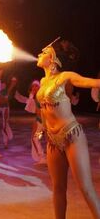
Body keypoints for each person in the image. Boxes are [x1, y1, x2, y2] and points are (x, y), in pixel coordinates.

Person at [36, 37, 100, 219]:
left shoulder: (64, 77)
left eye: (45, 52)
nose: (40, 54)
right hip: (52, 140)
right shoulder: (42, 82)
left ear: (54, 60)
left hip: (72, 135)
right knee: (58, 189)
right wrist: (41, 127)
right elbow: (42, 108)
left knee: (86, 188)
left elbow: (90, 83)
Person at [15, 80, 47, 165]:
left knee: (37, 138)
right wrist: (31, 95)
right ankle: (41, 157)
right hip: (39, 121)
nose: (34, 88)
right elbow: (30, 107)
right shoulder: (36, 97)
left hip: (43, 122)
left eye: (36, 86)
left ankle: (43, 157)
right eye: (33, 86)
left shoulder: (41, 96)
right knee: (35, 138)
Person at [0, 75, 17, 148]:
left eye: (4, 85)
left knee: (4, 124)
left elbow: (5, 99)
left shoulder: (6, 91)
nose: (3, 85)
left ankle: (5, 142)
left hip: (5, 108)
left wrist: (13, 82)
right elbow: (1, 99)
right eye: (1, 85)